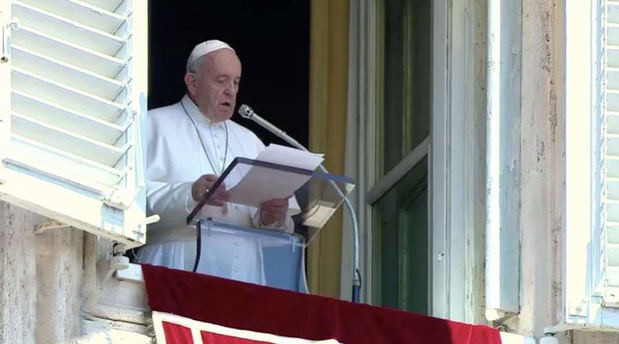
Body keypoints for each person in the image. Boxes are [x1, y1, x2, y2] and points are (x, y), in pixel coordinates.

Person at [137, 40, 297, 284]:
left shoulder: (250, 140)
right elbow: (132, 201)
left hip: (245, 274)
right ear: (192, 82)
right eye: (221, 81)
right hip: (175, 264)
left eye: (236, 82)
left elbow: (276, 223)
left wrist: (271, 217)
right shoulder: (152, 125)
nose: (230, 91)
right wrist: (190, 193)